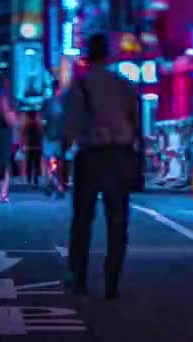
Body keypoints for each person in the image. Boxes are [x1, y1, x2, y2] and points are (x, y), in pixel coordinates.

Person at [63, 33, 141, 299]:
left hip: (90, 156)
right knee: (117, 221)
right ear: (108, 55)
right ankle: (112, 281)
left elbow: (70, 126)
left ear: (87, 55)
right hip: (119, 156)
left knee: (83, 219)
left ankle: (80, 278)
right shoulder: (125, 85)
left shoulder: (80, 86)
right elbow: (136, 125)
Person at [43, 79, 66, 197]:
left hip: (50, 136)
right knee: (57, 163)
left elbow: (43, 120)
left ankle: (52, 184)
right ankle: (57, 186)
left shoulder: (48, 102)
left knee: (51, 163)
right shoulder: (62, 102)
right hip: (57, 137)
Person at [22, 110, 43, 186]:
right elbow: (41, 135)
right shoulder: (38, 124)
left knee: (29, 164)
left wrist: (23, 145)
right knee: (37, 164)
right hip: (38, 147)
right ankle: (36, 179)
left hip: (29, 147)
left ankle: (29, 180)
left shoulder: (26, 124)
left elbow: (23, 135)